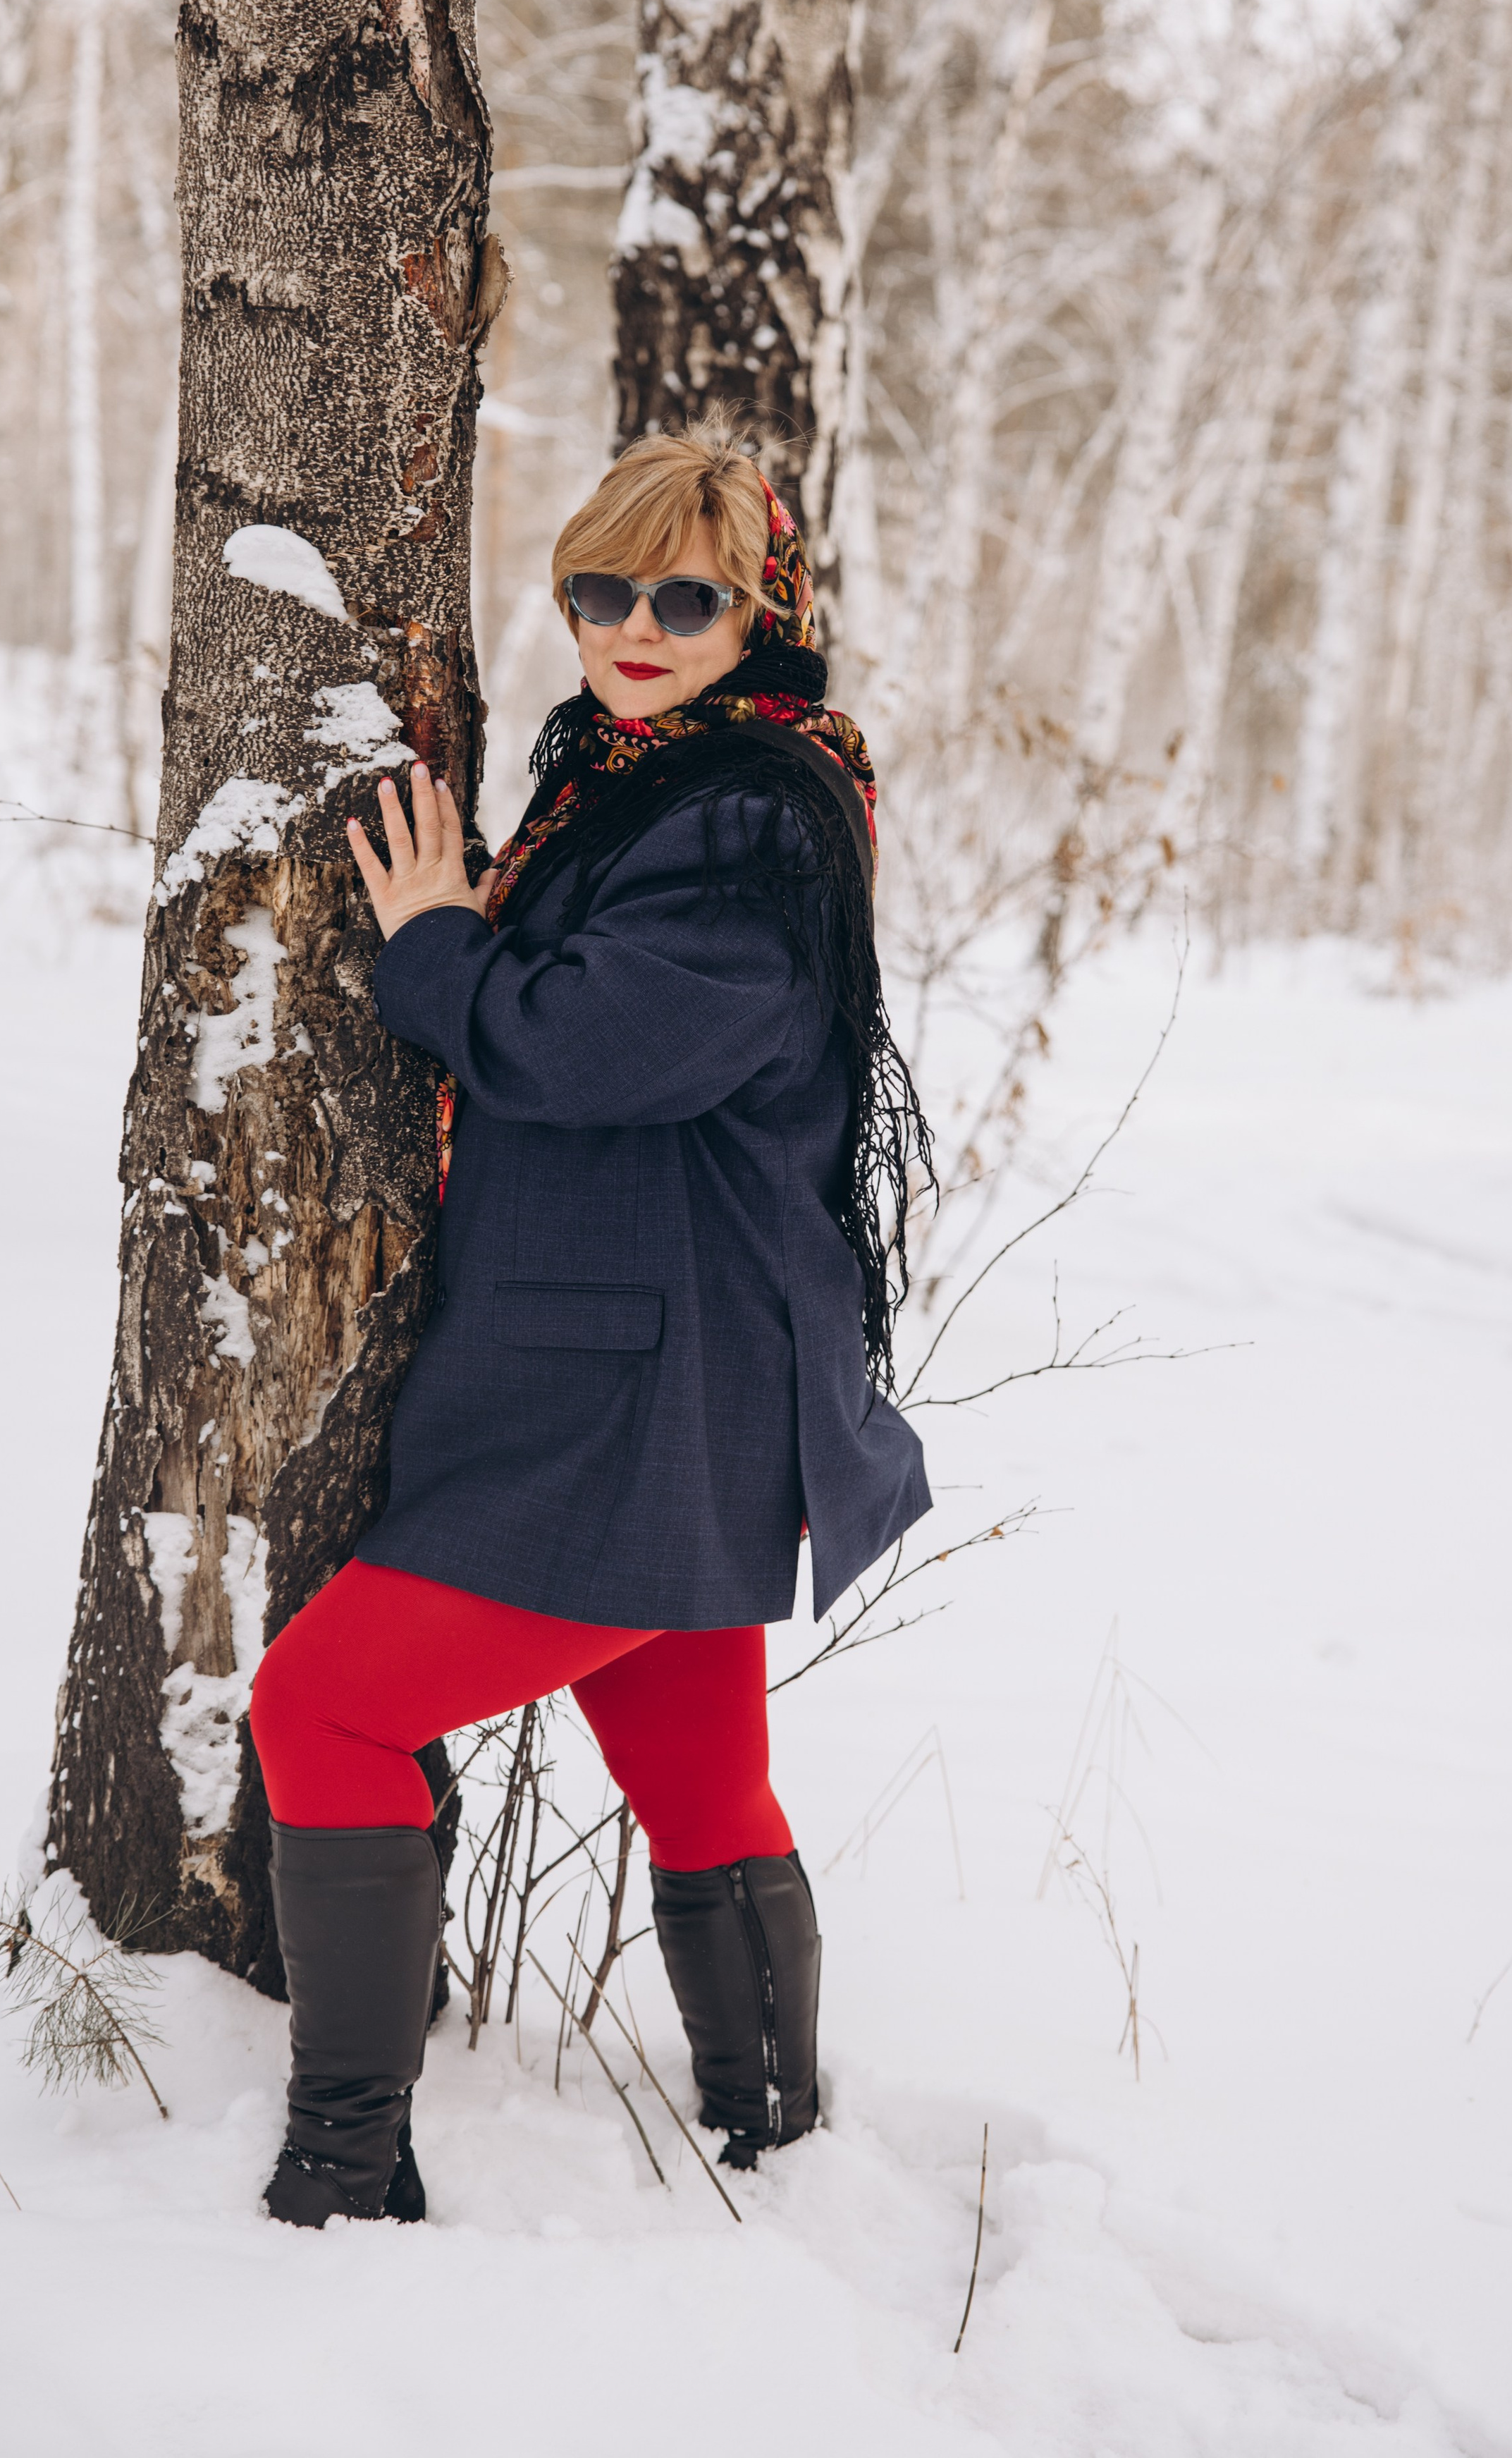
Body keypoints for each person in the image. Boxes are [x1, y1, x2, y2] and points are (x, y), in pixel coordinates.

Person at [247, 420, 933, 2226]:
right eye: (600, 587)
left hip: (628, 1391)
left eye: (684, 597)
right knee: (698, 1772)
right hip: (660, 1369)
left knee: (322, 1710)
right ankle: (780, 2145)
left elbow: (594, 1045)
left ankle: (341, 2166)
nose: (635, 625)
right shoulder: (645, 774)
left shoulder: (747, 817)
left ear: (756, 611)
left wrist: (434, 944)